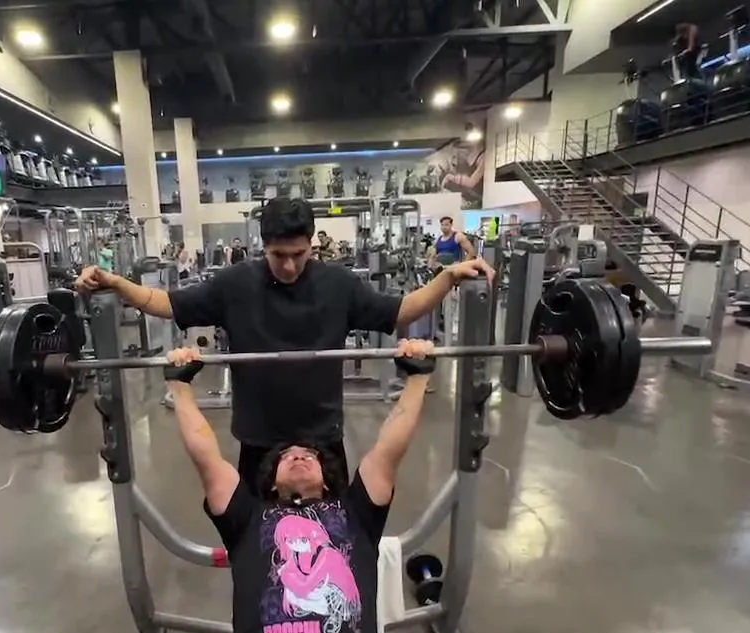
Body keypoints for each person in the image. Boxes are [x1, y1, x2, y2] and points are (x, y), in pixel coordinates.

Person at [75, 196, 494, 481]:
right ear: (264, 247)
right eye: (279, 256)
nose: (290, 266)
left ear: (312, 245)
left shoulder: (339, 285)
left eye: (299, 254)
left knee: (331, 542)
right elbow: (166, 302)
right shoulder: (235, 284)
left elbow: (400, 311)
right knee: (257, 540)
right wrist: (117, 284)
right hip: (258, 437)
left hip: (323, 437)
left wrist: (447, 278)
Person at [164, 338, 436, 633]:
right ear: (271, 482)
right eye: (287, 456)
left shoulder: (356, 512)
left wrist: (418, 378)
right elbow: (205, 454)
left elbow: (390, 446)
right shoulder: (247, 517)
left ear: (327, 478)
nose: (298, 456)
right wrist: (179, 384)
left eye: (309, 455)